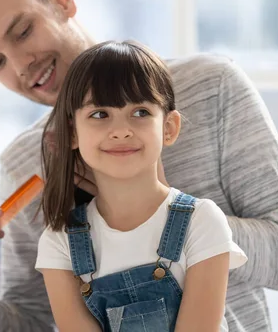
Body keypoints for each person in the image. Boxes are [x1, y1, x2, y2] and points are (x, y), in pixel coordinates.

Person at [0, 0, 278, 332]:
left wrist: (157, 203)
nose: (19, 65)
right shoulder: (25, 164)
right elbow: (34, 322)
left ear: (61, 2)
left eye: (23, 31)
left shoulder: (211, 86)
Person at [36, 40, 248, 331]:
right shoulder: (59, 242)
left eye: (140, 113)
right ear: (72, 132)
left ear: (169, 128)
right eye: (100, 114)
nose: (121, 131)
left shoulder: (201, 221)